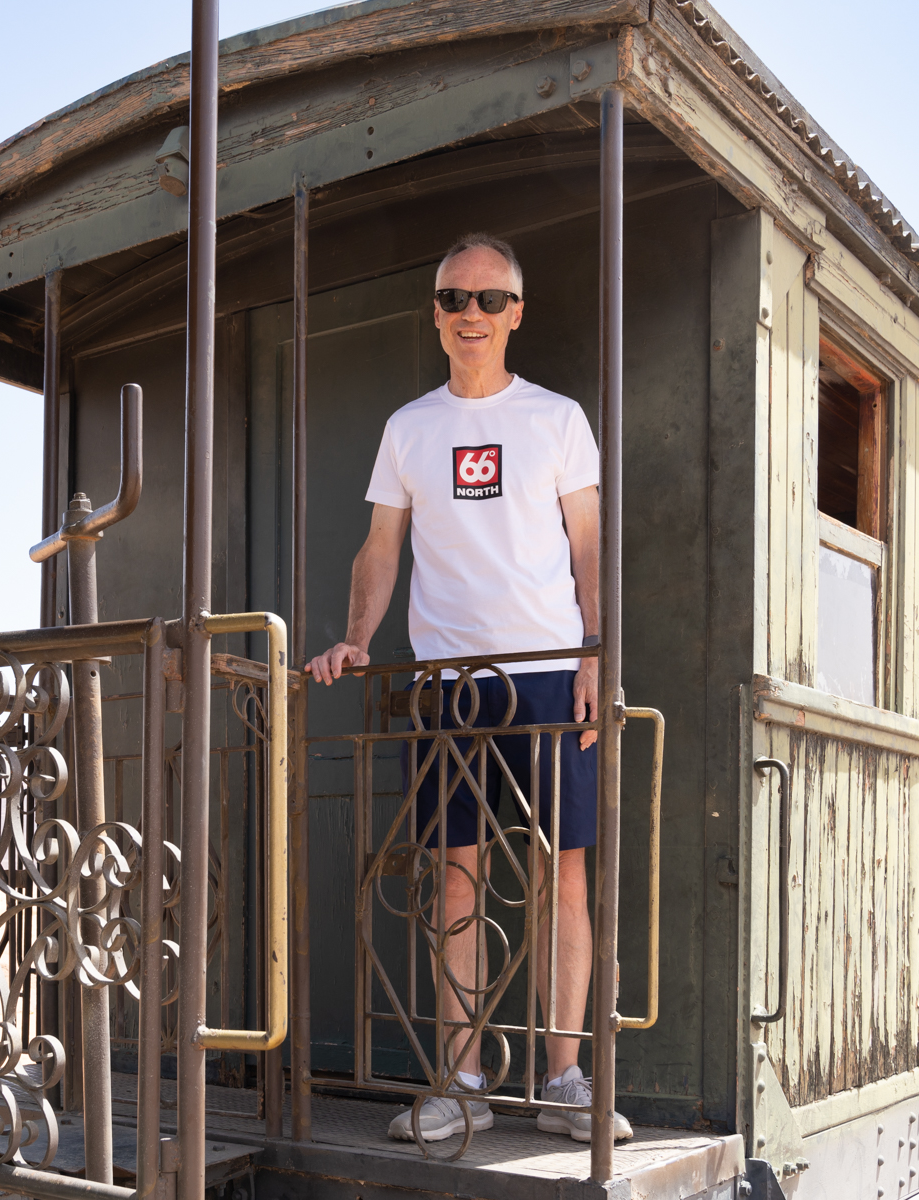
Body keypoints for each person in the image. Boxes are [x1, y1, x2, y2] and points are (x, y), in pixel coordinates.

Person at [306, 232, 631, 1146]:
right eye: (455, 299)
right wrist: (358, 639)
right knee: (455, 879)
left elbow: (587, 546)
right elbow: (382, 547)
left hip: (546, 678)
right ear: (436, 314)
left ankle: (566, 1079)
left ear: (517, 313)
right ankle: (463, 1082)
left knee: (564, 873)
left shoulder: (557, 419)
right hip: (450, 687)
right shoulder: (409, 428)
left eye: (491, 300)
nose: (472, 314)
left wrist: (596, 653)